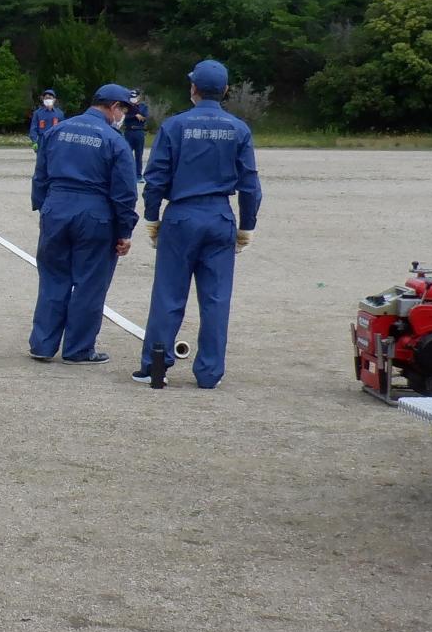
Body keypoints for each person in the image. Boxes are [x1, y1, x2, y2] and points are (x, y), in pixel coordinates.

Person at [135, 60, 262, 389]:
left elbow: (156, 178)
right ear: (226, 91)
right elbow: (250, 185)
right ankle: (209, 373)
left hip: (181, 215)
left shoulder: (175, 126)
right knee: (216, 299)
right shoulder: (238, 129)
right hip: (219, 215)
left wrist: (152, 217)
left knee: (168, 294)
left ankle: (155, 365)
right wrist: (246, 225)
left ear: (193, 89)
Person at [28, 83, 139, 365]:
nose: (123, 115)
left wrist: (44, 207)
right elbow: (125, 192)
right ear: (114, 107)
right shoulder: (115, 141)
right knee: (90, 283)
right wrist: (125, 231)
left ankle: (42, 344)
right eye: (123, 109)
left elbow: (40, 175)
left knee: (53, 278)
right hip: (94, 213)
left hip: (57, 208)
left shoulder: (57, 130)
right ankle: (78, 348)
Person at [122, 90, 150, 185]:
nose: (133, 98)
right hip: (128, 132)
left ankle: (138, 175)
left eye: (135, 96)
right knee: (127, 154)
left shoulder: (143, 107)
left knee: (139, 155)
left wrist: (136, 114)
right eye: (132, 96)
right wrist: (135, 115)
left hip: (139, 131)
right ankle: (127, 174)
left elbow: (144, 117)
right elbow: (124, 116)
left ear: (138, 97)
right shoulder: (126, 106)